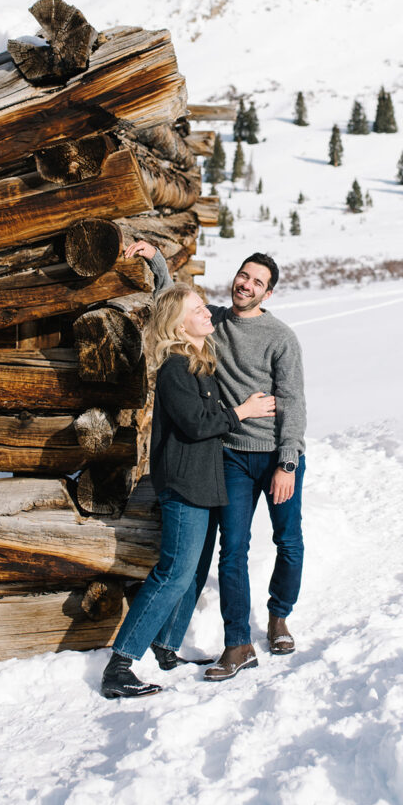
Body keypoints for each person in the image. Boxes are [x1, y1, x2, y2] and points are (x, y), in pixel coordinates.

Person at [127, 243, 306, 683]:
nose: (246, 284)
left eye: (257, 282)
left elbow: (294, 403)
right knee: (233, 551)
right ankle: (238, 642)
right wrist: (156, 261)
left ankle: (279, 616)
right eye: (244, 275)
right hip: (231, 455)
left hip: (276, 454)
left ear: (268, 294)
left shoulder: (281, 337)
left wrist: (287, 463)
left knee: (289, 541)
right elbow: (175, 306)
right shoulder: (216, 323)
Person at [101, 280, 275, 699]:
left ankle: (165, 647)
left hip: (206, 482)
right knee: (174, 572)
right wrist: (244, 412)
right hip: (183, 484)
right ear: (180, 327)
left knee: (195, 570)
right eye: (197, 310)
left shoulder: (199, 362)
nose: (206, 314)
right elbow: (197, 424)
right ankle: (119, 665)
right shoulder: (175, 367)